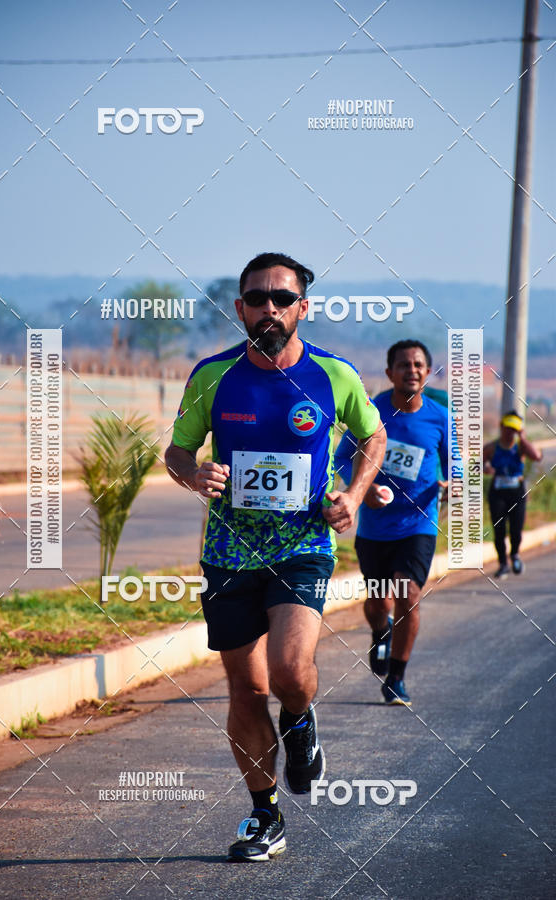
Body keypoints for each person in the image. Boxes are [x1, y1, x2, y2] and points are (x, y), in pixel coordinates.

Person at [165, 252, 385, 862]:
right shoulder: (211, 376)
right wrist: (194, 472)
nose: (270, 308)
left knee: (289, 675)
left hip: (302, 545)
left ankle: (301, 716)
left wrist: (354, 497)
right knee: (245, 686)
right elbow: (177, 450)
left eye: (282, 299)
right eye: (257, 298)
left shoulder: (334, 376)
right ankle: (265, 816)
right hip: (228, 553)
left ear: (302, 309)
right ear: (239, 308)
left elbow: (372, 435)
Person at [335, 340, 449, 707]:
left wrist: (453, 482)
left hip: (419, 524)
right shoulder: (370, 413)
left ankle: (397, 679)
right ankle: (380, 632)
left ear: (427, 372)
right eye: (403, 365)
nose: (411, 370)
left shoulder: (439, 417)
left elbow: (457, 464)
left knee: (407, 594)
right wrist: (361, 492)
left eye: (418, 364)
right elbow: (340, 459)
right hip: (374, 527)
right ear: (390, 373)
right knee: (377, 601)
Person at [483, 411, 542, 578]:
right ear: (501, 427)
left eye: (514, 429)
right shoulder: (492, 447)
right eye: (508, 428)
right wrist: (486, 468)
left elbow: (537, 456)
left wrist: (522, 438)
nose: (510, 433)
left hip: (517, 491)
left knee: (516, 529)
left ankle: (515, 554)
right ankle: (503, 563)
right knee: (499, 529)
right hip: (498, 492)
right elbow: (477, 464)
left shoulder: (521, 446)